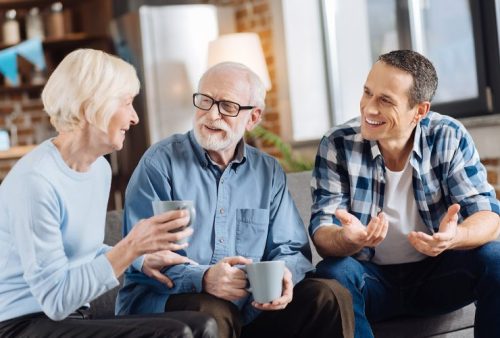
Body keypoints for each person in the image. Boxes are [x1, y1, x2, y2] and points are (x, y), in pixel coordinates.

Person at [116, 61, 354, 338]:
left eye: (227, 106)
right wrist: (204, 279)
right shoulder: (160, 163)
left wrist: (284, 276)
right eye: (205, 101)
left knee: (329, 295)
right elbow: (141, 254)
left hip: (249, 308)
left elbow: (290, 249)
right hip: (165, 302)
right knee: (213, 312)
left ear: (253, 118)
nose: (211, 114)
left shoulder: (268, 171)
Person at [0, 49, 217, 338]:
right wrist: (131, 248)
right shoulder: (36, 182)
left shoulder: (98, 170)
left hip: (72, 316)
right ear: (92, 106)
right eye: (126, 103)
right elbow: (55, 301)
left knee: (203, 326)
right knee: (175, 334)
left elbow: (80, 250)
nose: (135, 117)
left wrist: (140, 259)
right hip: (22, 324)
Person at [310, 49, 500, 338]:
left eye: (385, 100)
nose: (369, 108)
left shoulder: (448, 135)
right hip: (371, 280)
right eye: (367, 92)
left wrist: (454, 238)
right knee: (333, 274)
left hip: (437, 277)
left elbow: (488, 215)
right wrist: (345, 238)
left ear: (420, 111)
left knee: (496, 256)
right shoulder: (337, 144)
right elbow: (324, 231)